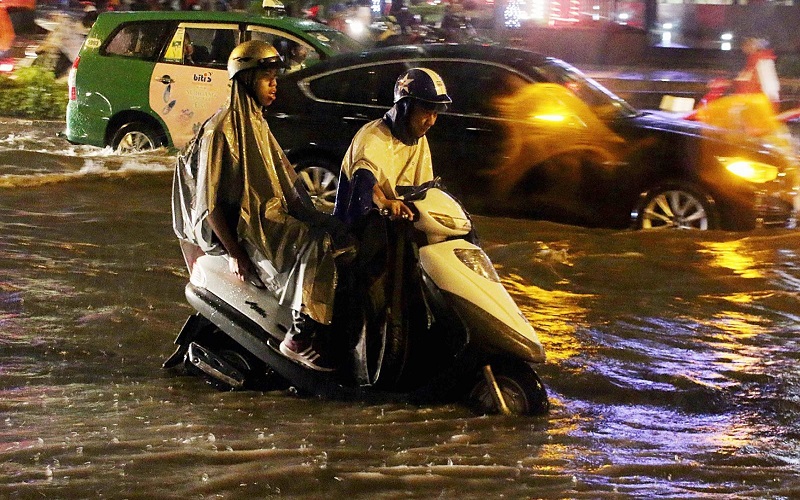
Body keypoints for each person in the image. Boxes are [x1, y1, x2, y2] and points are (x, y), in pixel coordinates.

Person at [172, 40, 344, 371]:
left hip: (272, 218)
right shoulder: (220, 131)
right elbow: (209, 205)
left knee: (339, 237)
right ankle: (298, 336)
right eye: (268, 78)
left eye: (275, 78)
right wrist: (236, 254)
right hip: (251, 230)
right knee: (317, 243)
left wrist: (326, 217)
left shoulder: (257, 123)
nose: (274, 85)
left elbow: (287, 182)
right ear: (248, 80)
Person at [333, 67, 451, 224]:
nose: (431, 122)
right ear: (405, 108)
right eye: (426, 112)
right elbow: (365, 181)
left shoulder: (417, 137)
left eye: (435, 114)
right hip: (360, 231)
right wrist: (384, 201)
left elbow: (424, 187)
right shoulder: (373, 137)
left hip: (395, 229)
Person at [734, 37, 780, 110]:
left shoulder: (764, 61)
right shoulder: (750, 63)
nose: (744, 48)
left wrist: (770, 107)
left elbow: (770, 87)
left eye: (748, 44)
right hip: (747, 106)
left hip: (758, 108)